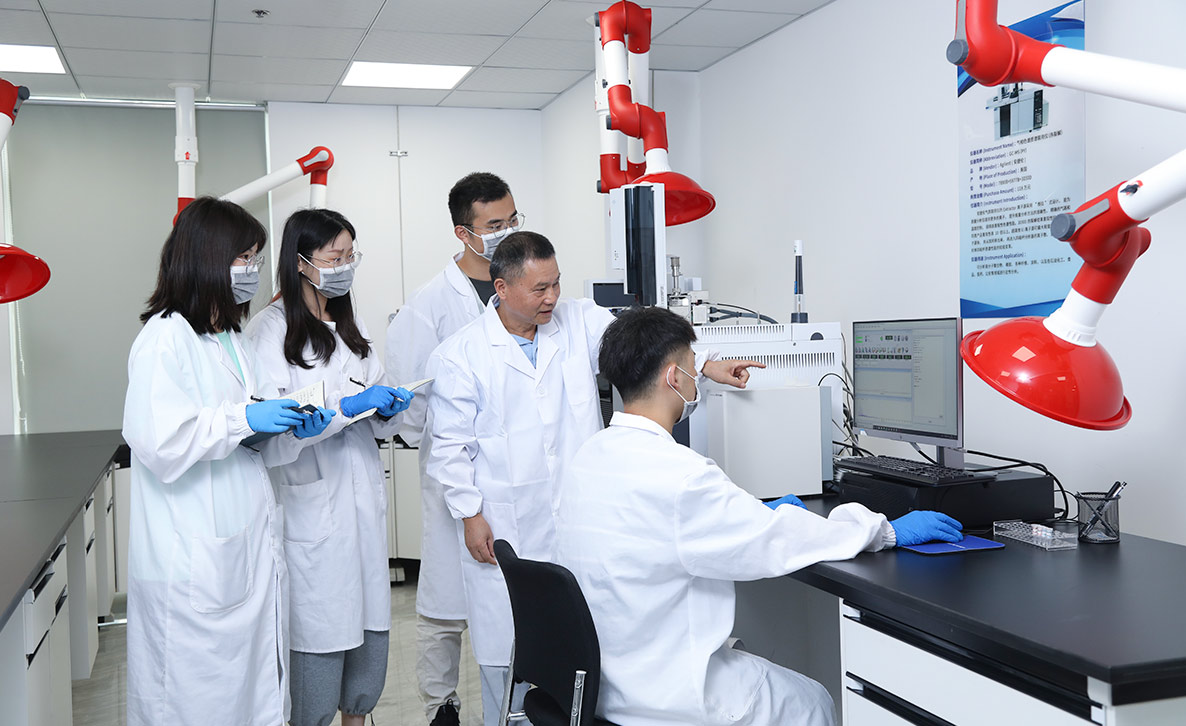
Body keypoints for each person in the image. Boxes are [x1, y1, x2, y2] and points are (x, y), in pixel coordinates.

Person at [554, 306, 964, 726]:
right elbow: (779, 540)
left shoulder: (589, 455)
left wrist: (747, 516)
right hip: (668, 693)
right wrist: (884, 530)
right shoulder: (682, 475)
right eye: (694, 368)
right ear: (674, 378)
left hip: (604, 683)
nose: (697, 380)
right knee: (814, 701)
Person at [426, 232, 762, 726]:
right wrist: (470, 514)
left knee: (579, 665)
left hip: (577, 522)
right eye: (540, 289)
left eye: (556, 283)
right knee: (510, 667)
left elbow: (644, 348)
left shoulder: (580, 321)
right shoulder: (461, 355)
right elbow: (450, 448)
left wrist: (707, 365)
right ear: (502, 288)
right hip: (505, 527)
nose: (553, 297)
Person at [122, 197, 334, 726]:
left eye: (256, 258)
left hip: (242, 553)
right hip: (193, 565)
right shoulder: (164, 339)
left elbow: (248, 440)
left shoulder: (231, 338)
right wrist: (245, 418)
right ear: (208, 258)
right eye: (245, 258)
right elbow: (161, 443)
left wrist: (289, 431)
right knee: (197, 705)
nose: (253, 271)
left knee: (250, 698)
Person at [245, 208, 412, 726]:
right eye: (333, 258)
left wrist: (385, 409)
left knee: (367, 639)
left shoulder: (350, 327)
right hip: (310, 509)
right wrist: (343, 411)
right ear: (301, 262)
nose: (344, 267)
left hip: (360, 504)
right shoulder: (270, 331)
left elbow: (373, 402)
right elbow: (270, 434)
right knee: (319, 640)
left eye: (349, 256)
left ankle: (358, 716)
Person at [385, 171, 522, 726]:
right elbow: (411, 406)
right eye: (495, 224)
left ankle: (512, 705)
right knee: (445, 604)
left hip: (516, 475)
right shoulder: (429, 305)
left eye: (513, 218)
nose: (507, 230)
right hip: (456, 472)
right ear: (464, 233)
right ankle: (441, 706)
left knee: (515, 602)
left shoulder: (526, 289)